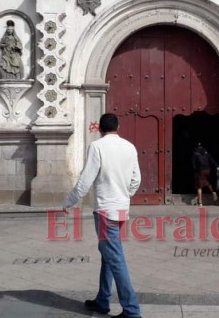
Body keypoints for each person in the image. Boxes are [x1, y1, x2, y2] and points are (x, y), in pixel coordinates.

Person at [63, 113, 142, 318]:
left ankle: (132, 310)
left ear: (100, 128)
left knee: (114, 258)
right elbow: (136, 179)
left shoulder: (98, 147)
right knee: (108, 254)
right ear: (118, 126)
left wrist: (69, 202)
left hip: (106, 210)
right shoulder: (129, 147)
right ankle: (102, 300)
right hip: (122, 209)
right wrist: (125, 195)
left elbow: (84, 181)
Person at [191, 142, 218, 206]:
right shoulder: (206, 153)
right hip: (207, 170)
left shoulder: (195, 154)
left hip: (200, 171)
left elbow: (193, 165)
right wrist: (217, 167)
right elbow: (212, 160)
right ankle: (213, 192)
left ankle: (200, 202)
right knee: (207, 182)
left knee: (199, 187)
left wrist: (195, 171)